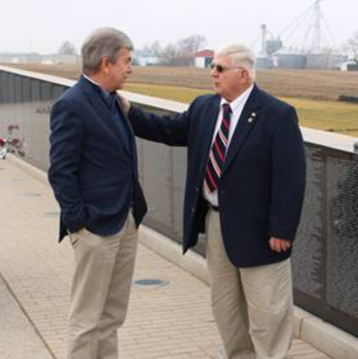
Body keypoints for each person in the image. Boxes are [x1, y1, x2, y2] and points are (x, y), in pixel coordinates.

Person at [122, 44, 306, 359]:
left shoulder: (277, 114)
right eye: (212, 66)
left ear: (244, 74)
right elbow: (168, 130)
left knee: (268, 312)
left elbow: (291, 177)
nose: (212, 73)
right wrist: (128, 111)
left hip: (261, 232)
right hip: (217, 223)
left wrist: (283, 229)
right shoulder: (205, 108)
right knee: (226, 307)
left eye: (219, 68)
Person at [47, 27, 147, 359]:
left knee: (111, 317)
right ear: (106, 63)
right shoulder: (72, 105)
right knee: (87, 319)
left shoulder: (115, 102)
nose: (130, 68)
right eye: (127, 61)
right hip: (95, 228)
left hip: (125, 222)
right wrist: (79, 223)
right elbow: (61, 171)